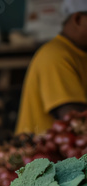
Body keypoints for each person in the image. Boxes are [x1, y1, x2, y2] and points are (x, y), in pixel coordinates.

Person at [16, 0, 87, 134]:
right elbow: (76, 121)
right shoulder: (55, 56)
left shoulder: (80, 54)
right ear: (78, 19)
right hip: (36, 153)